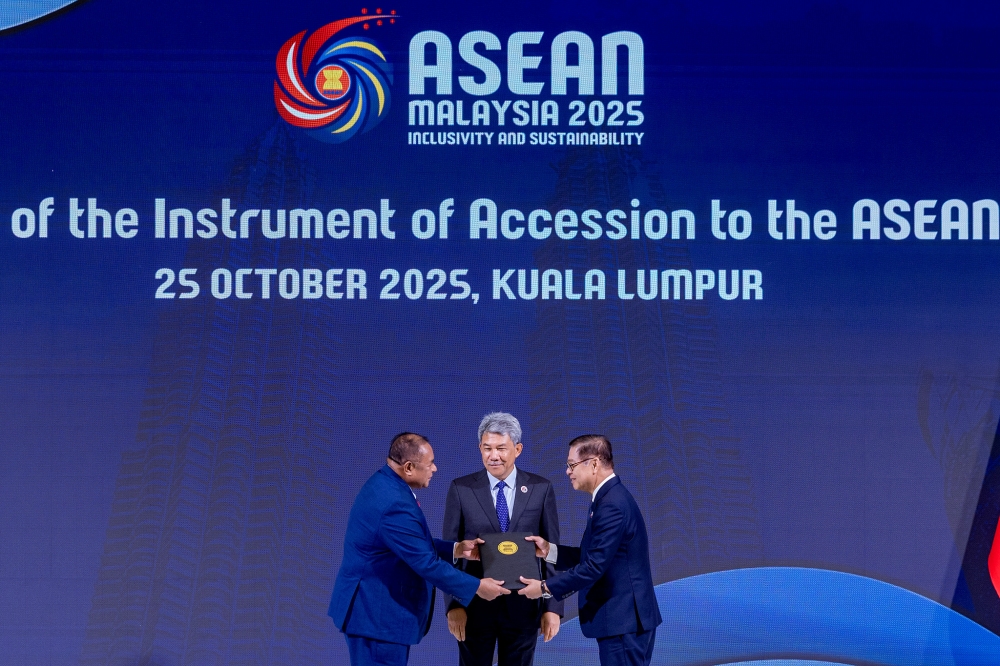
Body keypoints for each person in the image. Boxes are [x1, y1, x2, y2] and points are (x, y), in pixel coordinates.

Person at [329, 432, 510, 666]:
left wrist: (455, 549)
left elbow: (407, 543)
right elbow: (425, 563)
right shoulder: (393, 502)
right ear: (408, 467)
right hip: (376, 619)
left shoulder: (385, 483)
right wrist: (477, 587)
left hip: (374, 615)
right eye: (430, 464)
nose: (434, 469)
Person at [518, 435, 661, 666]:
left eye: (571, 465)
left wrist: (544, 588)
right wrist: (549, 551)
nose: (567, 472)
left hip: (624, 624)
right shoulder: (607, 499)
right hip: (622, 623)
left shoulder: (612, 504)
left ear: (594, 464)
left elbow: (594, 567)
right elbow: (595, 557)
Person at [442, 412, 563, 666]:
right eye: (487, 448)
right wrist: (453, 605)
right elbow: (449, 554)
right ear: (479, 448)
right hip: (474, 607)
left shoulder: (541, 489)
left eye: (501, 448)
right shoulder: (461, 489)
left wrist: (552, 607)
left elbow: (552, 552)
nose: (493, 456)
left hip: (524, 607)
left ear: (517, 449)